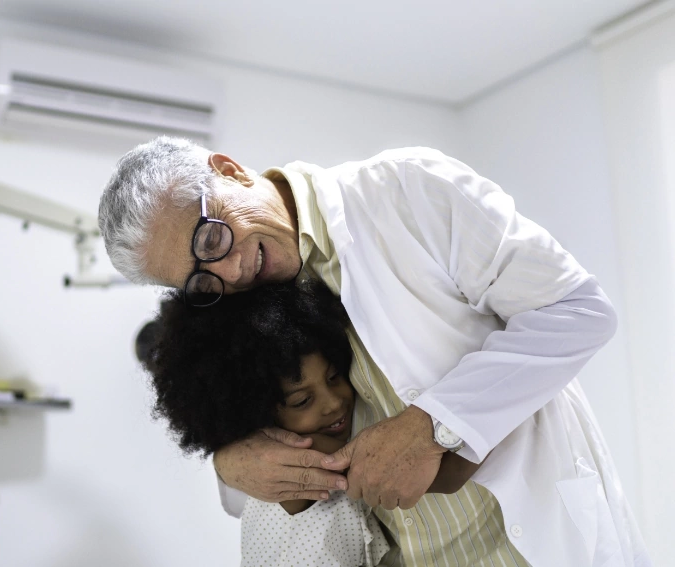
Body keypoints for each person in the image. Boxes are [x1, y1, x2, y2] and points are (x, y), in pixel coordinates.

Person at [98, 137, 650, 566]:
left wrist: (430, 425)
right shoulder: (233, 301)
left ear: (229, 170)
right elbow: (237, 421)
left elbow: (577, 310)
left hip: (534, 543)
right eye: (199, 280)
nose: (230, 272)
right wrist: (229, 462)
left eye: (212, 239)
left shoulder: (407, 191)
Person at [142, 281, 395, 566]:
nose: (333, 403)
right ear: (256, 413)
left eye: (334, 376)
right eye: (301, 401)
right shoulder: (310, 455)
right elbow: (408, 467)